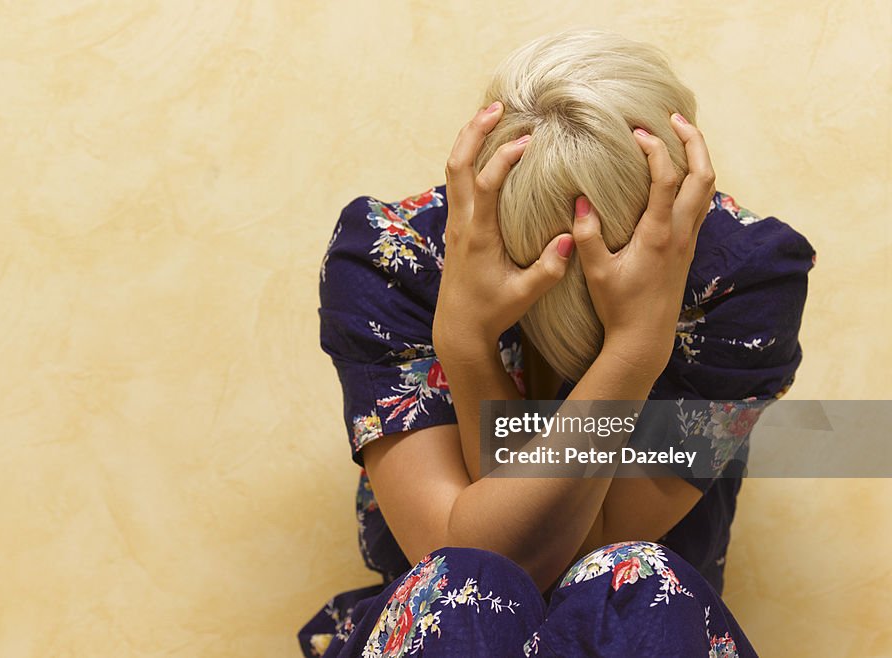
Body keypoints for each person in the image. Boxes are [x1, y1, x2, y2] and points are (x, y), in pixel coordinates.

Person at [301, 29, 814, 657]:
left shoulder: (740, 279)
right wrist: (468, 344)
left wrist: (632, 349)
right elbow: (472, 572)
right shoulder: (395, 257)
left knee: (634, 582)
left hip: (641, 631)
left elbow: (581, 553)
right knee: (463, 589)